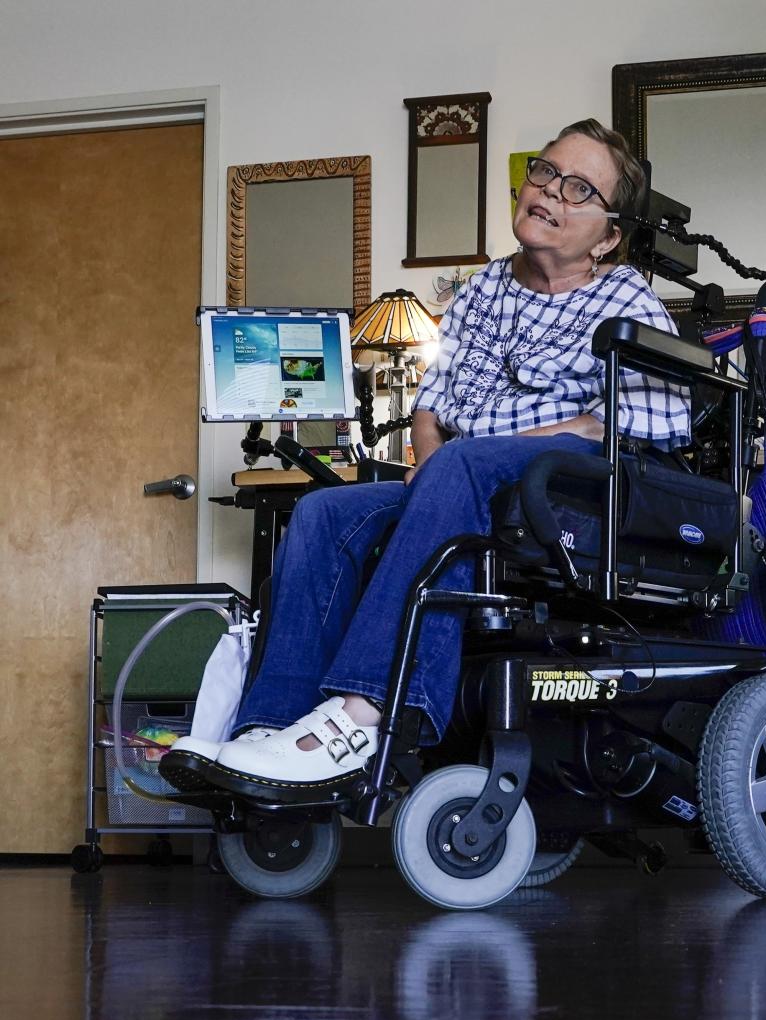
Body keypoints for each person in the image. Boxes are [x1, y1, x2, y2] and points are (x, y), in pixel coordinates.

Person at [166, 119, 690, 802]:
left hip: (560, 491)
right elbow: (431, 406)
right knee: (324, 510)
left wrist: (497, 450)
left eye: (578, 188)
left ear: (610, 234)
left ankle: (366, 713)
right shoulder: (481, 292)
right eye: (543, 172)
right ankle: (270, 734)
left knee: (463, 465)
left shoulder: (626, 300)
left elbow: (657, 422)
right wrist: (430, 461)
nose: (549, 192)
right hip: (466, 479)